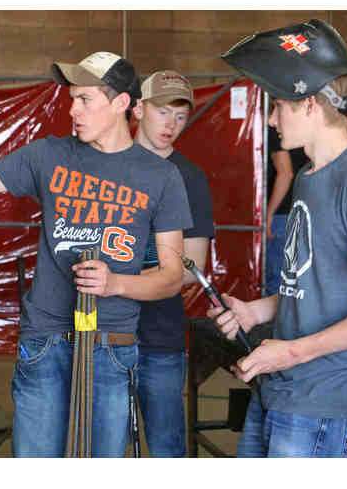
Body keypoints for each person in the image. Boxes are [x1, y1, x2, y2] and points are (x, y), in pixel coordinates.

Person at [0, 51, 193, 457]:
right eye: (72, 99)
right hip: (45, 341)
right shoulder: (47, 155)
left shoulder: (161, 176)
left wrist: (115, 283)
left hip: (111, 345)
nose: (72, 110)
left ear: (121, 103)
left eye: (85, 99)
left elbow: (172, 276)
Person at [209, 19, 347, 457]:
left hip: (326, 399)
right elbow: (312, 284)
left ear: (308, 104)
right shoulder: (308, 177)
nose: (271, 119)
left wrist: (292, 353)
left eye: (277, 106)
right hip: (284, 388)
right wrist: (254, 311)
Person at [132, 70, 215, 457]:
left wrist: (120, 282)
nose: (171, 124)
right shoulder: (104, 166)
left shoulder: (190, 178)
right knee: (101, 447)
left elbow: (192, 266)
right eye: (163, 112)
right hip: (101, 334)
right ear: (138, 109)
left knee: (166, 448)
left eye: (180, 116)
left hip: (159, 336)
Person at [265, 126, 307, 295]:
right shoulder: (303, 129)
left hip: (281, 215)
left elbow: (285, 173)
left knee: (277, 281)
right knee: (294, 279)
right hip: (301, 209)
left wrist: (269, 214)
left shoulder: (274, 131)